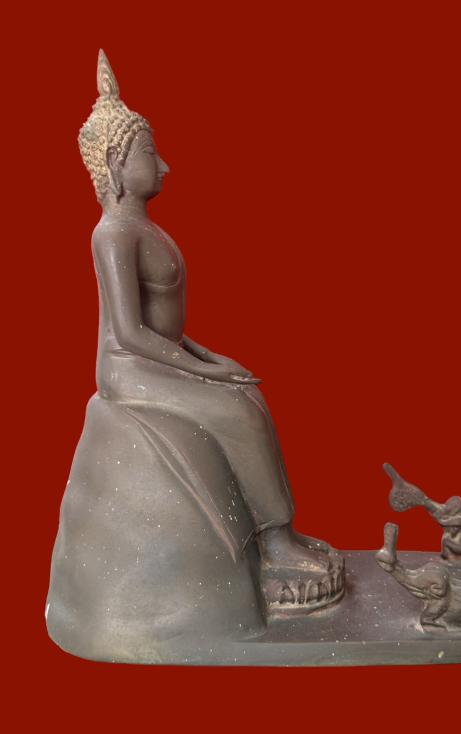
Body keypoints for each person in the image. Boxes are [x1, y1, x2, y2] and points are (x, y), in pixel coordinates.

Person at [73, 49, 343, 612]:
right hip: (129, 369)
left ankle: (282, 533)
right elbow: (129, 333)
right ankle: (274, 543)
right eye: (151, 153)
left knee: (248, 395)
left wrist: (211, 359)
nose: (165, 166)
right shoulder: (113, 234)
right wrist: (206, 373)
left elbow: (165, 329)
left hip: (156, 356)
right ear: (116, 162)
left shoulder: (145, 230)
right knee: (237, 411)